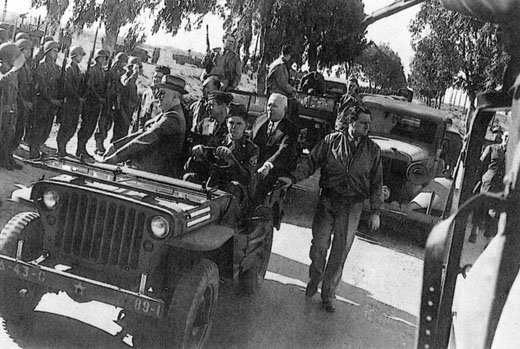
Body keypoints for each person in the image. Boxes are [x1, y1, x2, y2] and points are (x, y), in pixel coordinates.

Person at [280, 105, 383, 313]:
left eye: (369, 124)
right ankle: (315, 277)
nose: (367, 128)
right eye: (363, 123)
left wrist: (376, 211)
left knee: (340, 251)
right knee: (319, 245)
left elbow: (376, 182)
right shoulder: (331, 141)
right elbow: (311, 162)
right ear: (351, 123)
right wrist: (292, 178)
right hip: (328, 200)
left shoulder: (373, 151)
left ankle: (328, 293)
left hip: (352, 206)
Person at [102, 75, 187, 177]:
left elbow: (145, 138)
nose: (158, 97)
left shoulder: (173, 118)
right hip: (147, 171)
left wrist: (116, 157)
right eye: (158, 92)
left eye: (162, 93)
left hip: (155, 176)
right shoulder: (169, 113)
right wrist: (115, 146)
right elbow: (144, 132)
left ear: (174, 97)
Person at [185, 102, 259, 189]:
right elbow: (195, 168)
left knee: (233, 186)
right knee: (189, 177)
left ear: (246, 125)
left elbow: (246, 180)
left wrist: (232, 161)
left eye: (239, 124)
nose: (234, 127)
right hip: (213, 183)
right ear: (227, 123)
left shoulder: (251, 148)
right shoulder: (217, 140)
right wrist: (197, 155)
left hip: (232, 189)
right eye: (231, 123)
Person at [250, 93, 299, 207]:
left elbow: (284, 151)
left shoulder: (291, 129)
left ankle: (255, 211)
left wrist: (268, 165)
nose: (270, 109)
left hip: (275, 168)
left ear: (285, 109)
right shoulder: (260, 120)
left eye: (275, 106)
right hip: (255, 162)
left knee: (261, 183)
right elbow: (251, 141)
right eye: (269, 105)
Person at [470, 131, 509, 242]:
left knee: (494, 213)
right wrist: (478, 180)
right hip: (487, 184)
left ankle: (488, 241)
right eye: (506, 137)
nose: (508, 140)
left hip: (500, 187)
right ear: (502, 137)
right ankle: (475, 230)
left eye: (510, 138)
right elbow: (481, 166)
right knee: (480, 207)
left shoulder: (512, 154)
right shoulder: (492, 148)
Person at [26, 40, 61, 159]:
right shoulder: (41, 67)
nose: (56, 54)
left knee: (47, 128)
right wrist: (51, 99)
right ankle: (33, 151)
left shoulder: (56, 68)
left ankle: (39, 147)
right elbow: (41, 87)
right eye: (54, 51)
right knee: (38, 128)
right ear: (47, 52)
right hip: (42, 103)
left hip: (51, 104)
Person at [76, 49, 109, 159]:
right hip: (90, 102)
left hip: (96, 104)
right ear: (97, 58)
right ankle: (80, 148)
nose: (104, 60)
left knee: (91, 127)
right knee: (86, 126)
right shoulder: (92, 70)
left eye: (105, 58)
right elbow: (90, 87)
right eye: (102, 57)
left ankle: (83, 147)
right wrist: (98, 98)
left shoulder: (102, 71)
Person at [95, 51, 128, 155]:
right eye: (122, 62)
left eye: (124, 63)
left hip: (115, 102)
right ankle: (98, 145)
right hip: (107, 102)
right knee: (103, 125)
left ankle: (104, 146)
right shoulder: (109, 72)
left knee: (109, 125)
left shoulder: (122, 73)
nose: (123, 65)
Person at [55, 46, 86, 157]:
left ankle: (64, 146)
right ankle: (61, 147)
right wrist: (78, 97)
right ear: (74, 55)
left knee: (72, 127)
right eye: (80, 55)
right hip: (69, 103)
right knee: (66, 126)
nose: (81, 57)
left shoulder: (78, 70)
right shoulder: (69, 69)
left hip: (75, 104)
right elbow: (68, 88)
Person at [0, 43, 25, 170]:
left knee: (9, 135)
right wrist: (14, 69)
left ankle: (7, 157)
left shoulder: (12, 73)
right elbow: (3, 81)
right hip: (2, 111)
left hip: (10, 110)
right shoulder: (4, 72)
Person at [13, 38, 34, 154]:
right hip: (17, 103)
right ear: (21, 51)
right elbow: (15, 87)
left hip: (23, 104)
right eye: (27, 50)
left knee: (19, 130)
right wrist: (24, 101)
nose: (29, 53)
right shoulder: (16, 66)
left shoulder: (26, 66)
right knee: (13, 130)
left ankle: (10, 153)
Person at [134, 65, 170, 131]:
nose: (155, 79)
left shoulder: (167, 98)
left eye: (159, 77)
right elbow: (139, 115)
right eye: (155, 76)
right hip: (141, 132)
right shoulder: (147, 93)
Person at [116, 56, 141, 141]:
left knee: (124, 133)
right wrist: (134, 75)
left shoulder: (134, 81)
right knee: (119, 133)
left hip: (128, 109)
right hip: (122, 108)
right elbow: (126, 84)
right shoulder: (124, 77)